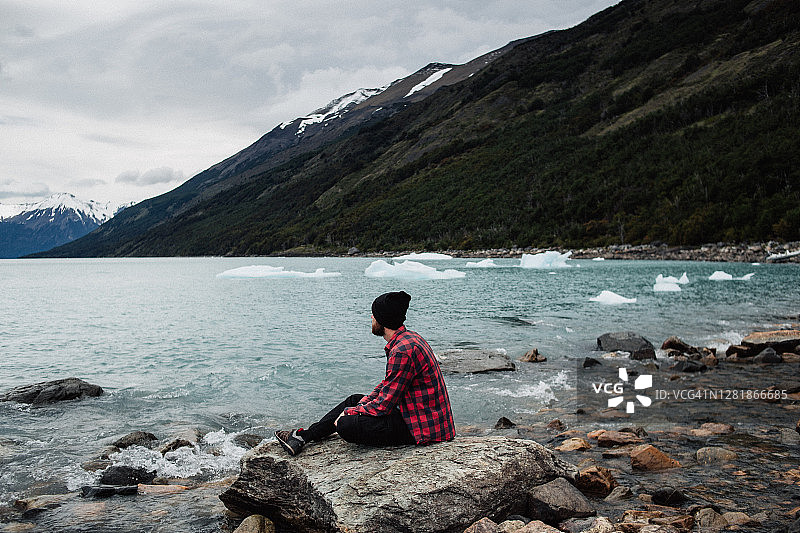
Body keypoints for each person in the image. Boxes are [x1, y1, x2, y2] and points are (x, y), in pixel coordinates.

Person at [275, 290, 455, 456]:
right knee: (354, 399)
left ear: (382, 320)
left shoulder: (402, 350)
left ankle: (304, 437)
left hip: (421, 427)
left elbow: (384, 404)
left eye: (374, 315)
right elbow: (388, 386)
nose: (371, 318)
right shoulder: (408, 339)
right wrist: (356, 406)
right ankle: (303, 437)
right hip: (416, 415)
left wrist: (351, 414)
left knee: (346, 425)